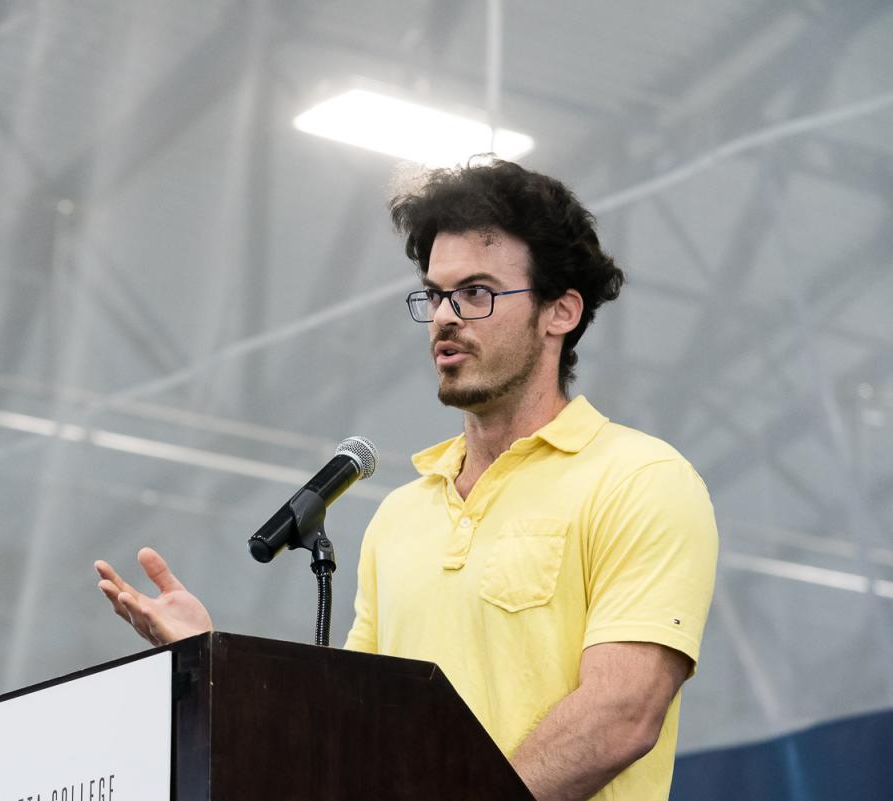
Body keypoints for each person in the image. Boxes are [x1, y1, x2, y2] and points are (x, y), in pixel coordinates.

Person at [95, 158, 718, 801]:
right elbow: (352, 734)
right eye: (435, 294)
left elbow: (621, 716)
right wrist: (215, 656)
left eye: (476, 293)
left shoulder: (641, 478)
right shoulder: (399, 515)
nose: (445, 316)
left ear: (560, 312)